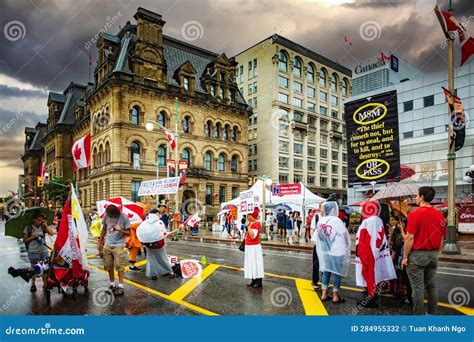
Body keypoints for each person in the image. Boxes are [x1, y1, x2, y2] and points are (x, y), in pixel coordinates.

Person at [401, 187, 447, 315]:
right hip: (433, 254)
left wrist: (405, 256)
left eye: (416, 195)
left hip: (417, 255)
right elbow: (442, 238)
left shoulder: (414, 214)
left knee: (418, 288)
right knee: (432, 287)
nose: (415, 198)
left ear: (421, 197)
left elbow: (410, 237)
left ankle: (419, 318)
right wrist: (436, 252)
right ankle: (432, 314)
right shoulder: (439, 214)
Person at [355, 201, 397, 308]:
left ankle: (371, 299)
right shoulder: (378, 220)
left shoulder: (367, 222)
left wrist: (361, 254)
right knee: (375, 275)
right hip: (378, 252)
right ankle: (373, 297)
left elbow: (364, 239)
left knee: (370, 276)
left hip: (369, 254)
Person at [314, 202, 351, 304]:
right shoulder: (337, 221)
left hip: (326, 251)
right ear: (334, 209)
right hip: (337, 250)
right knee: (336, 272)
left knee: (326, 271)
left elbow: (317, 238)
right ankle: (335, 295)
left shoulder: (321, 221)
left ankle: (324, 293)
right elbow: (345, 236)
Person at [137, 208, 178, 280]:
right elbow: (163, 234)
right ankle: (171, 272)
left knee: (151, 259)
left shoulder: (145, 222)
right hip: (159, 244)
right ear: (156, 214)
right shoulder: (159, 222)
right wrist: (173, 232)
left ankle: (153, 274)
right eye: (159, 213)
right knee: (163, 258)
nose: (160, 215)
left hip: (148, 244)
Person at [99, 204, 130, 296]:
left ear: (116, 213)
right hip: (108, 244)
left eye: (112, 216)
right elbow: (104, 228)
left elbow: (129, 233)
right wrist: (100, 241)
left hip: (119, 245)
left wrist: (120, 230)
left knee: (119, 266)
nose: (110, 217)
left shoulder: (124, 217)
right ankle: (112, 284)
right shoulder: (106, 215)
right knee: (108, 265)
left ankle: (120, 286)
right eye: (109, 215)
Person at [22, 212, 55, 292]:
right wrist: (32, 237)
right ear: (34, 220)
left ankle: (45, 284)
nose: (40, 222)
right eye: (38, 220)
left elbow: (52, 233)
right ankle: (33, 284)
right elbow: (25, 240)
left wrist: (46, 225)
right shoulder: (28, 228)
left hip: (44, 251)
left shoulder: (43, 227)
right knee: (34, 268)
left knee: (45, 268)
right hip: (33, 252)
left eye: (41, 220)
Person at [389, 201, 412, 305]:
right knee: (399, 272)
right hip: (398, 250)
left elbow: (406, 238)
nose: (394, 212)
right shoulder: (399, 221)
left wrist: (401, 229)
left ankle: (408, 295)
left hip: (404, 251)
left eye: (396, 210)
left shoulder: (406, 222)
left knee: (405, 273)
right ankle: (399, 292)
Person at [244, 207, 264, 290]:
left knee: (255, 263)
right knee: (252, 263)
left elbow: (253, 236)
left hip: (253, 247)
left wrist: (248, 226)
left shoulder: (256, 224)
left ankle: (258, 282)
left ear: (253, 216)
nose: (247, 217)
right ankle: (253, 280)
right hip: (250, 247)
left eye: (249, 216)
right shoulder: (253, 223)